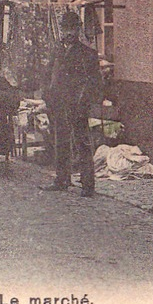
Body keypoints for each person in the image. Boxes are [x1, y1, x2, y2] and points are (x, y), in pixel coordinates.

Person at [41, 10, 104, 197]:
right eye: (66, 29)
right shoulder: (57, 50)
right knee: (60, 142)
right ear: (61, 29)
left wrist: (84, 103)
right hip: (58, 104)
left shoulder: (88, 54)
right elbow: (48, 73)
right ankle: (61, 180)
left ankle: (88, 184)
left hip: (77, 105)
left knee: (82, 143)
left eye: (73, 29)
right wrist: (47, 94)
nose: (69, 33)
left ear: (78, 30)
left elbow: (95, 83)